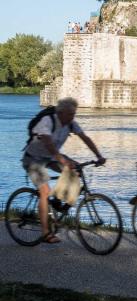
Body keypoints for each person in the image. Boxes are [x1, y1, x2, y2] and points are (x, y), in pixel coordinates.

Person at [22, 97, 106, 244]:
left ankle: (57, 202)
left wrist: (99, 155)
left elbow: (85, 138)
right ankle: (46, 233)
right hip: (33, 158)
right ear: (60, 113)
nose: (72, 117)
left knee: (76, 170)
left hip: (51, 157)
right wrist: (62, 160)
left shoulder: (71, 124)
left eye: (74, 114)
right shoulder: (48, 121)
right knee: (44, 191)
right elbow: (48, 142)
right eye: (70, 114)